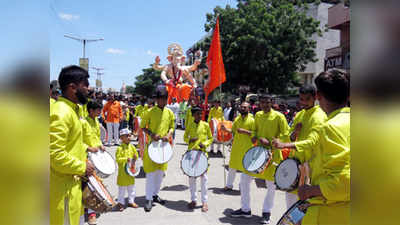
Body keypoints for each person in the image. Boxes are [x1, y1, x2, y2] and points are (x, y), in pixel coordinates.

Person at [273, 70, 350, 225]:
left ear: (318, 96)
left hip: (330, 212)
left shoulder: (330, 126)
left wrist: (310, 191)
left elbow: (345, 181)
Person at [231, 94, 289, 224]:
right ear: (259, 104)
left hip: (273, 155)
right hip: (257, 154)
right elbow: (255, 131)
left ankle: (266, 212)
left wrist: (271, 142)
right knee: (244, 180)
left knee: (271, 186)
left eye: (267, 102)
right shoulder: (258, 115)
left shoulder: (279, 116)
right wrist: (255, 137)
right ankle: (245, 210)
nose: (265, 105)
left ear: (272, 102)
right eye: (262, 103)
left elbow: (286, 136)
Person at [50, 65, 95, 225]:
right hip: (63, 193)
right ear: (72, 87)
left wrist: (85, 150)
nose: (88, 89)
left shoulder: (72, 110)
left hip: (72, 187)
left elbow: (71, 144)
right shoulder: (61, 112)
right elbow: (54, 155)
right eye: (85, 84)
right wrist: (82, 167)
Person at [283, 85, 328, 210]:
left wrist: (285, 145)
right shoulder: (300, 114)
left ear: (315, 97)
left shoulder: (319, 116)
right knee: (290, 204)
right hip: (295, 165)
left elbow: (312, 142)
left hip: (310, 167)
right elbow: (289, 136)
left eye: (307, 99)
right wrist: (294, 134)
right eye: (301, 99)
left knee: (304, 207)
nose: (303, 102)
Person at [140, 86, 175, 212]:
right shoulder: (150, 112)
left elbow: (172, 126)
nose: (162, 101)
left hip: (164, 147)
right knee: (151, 174)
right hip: (152, 147)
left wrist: (169, 135)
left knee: (160, 174)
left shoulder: (169, 112)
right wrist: (151, 134)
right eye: (160, 99)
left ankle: (155, 195)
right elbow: (142, 126)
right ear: (156, 100)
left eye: (164, 99)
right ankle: (148, 198)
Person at [183, 107, 213, 212]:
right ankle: (193, 200)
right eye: (197, 114)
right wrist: (190, 139)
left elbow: (211, 138)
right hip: (191, 154)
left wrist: (204, 144)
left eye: (201, 114)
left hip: (202, 155)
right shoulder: (190, 125)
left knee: (204, 179)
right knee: (192, 179)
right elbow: (184, 137)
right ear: (193, 115)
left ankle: (204, 202)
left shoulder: (205, 125)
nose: (200, 116)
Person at [221, 102, 255, 192]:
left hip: (247, 148)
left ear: (249, 109)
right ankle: (229, 185)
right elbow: (233, 131)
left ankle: (242, 186)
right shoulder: (237, 119)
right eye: (242, 107)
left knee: (245, 169)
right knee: (232, 166)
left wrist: (245, 131)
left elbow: (256, 134)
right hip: (236, 147)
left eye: (245, 107)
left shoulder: (252, 120)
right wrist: (225, 129)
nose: (243, 108)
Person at [115, 128, 139, 211]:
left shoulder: (132, 146)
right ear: (121, 138)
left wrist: (135, 158)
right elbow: (118, 159)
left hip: (131, 171)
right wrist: (126, 159)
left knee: (131, 188)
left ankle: (131, 201)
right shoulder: (119, 148)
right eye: (127, 136)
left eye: (129, 135)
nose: (129, 137)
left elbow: (136, 155)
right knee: (122, 189)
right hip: (122, 173)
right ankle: (120, 203)